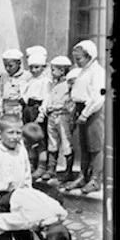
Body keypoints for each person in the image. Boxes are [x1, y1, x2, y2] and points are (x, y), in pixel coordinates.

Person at [63, 39, 106, 194]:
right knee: (84, 146)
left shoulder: (98, 72)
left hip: (92, 111)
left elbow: (99, 97)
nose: (77, 62)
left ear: (89, 56)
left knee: (95, 146)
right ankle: (83, 176)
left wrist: (86, 113)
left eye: (79, 58)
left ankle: (95, 179)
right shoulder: (83, 71)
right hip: (81, 109)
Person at [36, 55, 75, 184]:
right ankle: (51, 168)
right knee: (52, 142)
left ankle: (68, 171)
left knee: (66, 141)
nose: (51, 73)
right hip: (52, 115)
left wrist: (70, 114)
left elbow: (71, 101)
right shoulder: (53, 84)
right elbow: (48, 99)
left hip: (63, 115)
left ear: (62, 71)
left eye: (54, 70)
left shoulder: (69, 84)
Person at [21, 51, 52, 178]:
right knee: (29, 139)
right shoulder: (30, 81)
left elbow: (47, 98)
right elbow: (25, 95)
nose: (33, 70)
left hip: (37, 110)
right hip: (28, 110)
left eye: (37, 67)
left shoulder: (46, 82)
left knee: (39, 141)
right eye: (31, 67)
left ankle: (42, 166)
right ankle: (31, 164)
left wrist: (41, 113)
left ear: (43, 67)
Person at [0, 49, 30, 117]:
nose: (7, 68)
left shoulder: (26, 76)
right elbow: (0, 93)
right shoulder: (4, 77)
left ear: (19, 63)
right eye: (5, 66)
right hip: (6, 107)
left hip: (18, 107)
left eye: (11, 66)